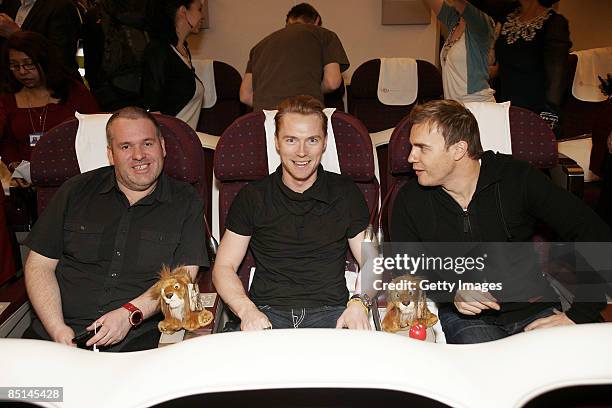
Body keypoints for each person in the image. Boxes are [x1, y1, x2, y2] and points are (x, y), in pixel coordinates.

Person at [391, 99, 611, 344]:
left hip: (533, 307)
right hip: (468, 318)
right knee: (488, 377)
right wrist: (451, 292)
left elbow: (593, 232)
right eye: (412, 147)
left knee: (562, 372)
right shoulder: (409, 200)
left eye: (422, 148)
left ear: (458, 150)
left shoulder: (518, 178)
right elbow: (405, 268)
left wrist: (580, 313)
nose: (411, 157)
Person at [22, 106, 209, 351]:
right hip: (55, 336)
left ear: (162, 147)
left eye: (148, 144)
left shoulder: (185, 201)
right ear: (111, 154)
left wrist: (129, 314)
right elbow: (39, 265)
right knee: (20, 390)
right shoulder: (74, 191)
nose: (139, 155)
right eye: (125, 147)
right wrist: (57, 329)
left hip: (137, 339)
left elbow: (183, 276)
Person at [212, 95, 371, 331]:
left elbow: (374, 261)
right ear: (276, 142)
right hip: (265, 312)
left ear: (325, 142)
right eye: (291, 140)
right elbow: (223, 267)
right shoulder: (252, 196)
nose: (302, 152)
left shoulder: (346, 193)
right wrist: (247, 311)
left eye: (312, 140)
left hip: (333, 314)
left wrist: (359, 304)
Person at [0, 31, 99, 178]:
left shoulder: (73, 91)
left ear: (45, 61)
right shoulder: (7, 97)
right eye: (14, 66)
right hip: (27, 181)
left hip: (74, 178)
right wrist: (13, 164)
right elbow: (6, 141)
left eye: (28, 64)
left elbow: (96, 130)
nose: (22, 72)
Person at [239, 3, 349, 111]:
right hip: (304, 113)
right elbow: (332, 82)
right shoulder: (324, 35)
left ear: (288, 22)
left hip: (264, 118)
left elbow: (245, 95)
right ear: (317, 20)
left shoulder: (259, 46)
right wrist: (312, 91)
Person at [491, 0, 571, 136]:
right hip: (503, 112)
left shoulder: (554, 23)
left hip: (533, 116)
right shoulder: (507, 19)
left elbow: (557, 80)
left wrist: (546, 123)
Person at [141, 0, 204, 129]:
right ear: (183, 11)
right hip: (171, 142)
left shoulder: (183, 51)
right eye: (199, 9)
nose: (202, 16)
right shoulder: (158, 50)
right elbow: (153, 109)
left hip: (185, 140)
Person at [426, 0, 496, 102]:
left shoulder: (482, 24)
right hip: (456, 108)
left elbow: (462, 6)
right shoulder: (455, 22)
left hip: (477, 105)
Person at [0, 0, 82, 80]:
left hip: (53, 86)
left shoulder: (61, 6)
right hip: (14, 85)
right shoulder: (9, 3)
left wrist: (16, 34)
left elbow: (61, 58)